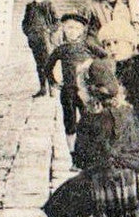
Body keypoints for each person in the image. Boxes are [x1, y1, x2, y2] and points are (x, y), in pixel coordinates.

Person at [74, 59, 139, 217]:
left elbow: (82, 152)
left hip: (105, 176)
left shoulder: (90, 118)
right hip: (130, 173)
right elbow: (137, 142)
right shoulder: (127, 111)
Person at [43, 12, 107, 158]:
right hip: (68, 91)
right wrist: (53, 81)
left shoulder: (88, 46)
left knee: (89, 120)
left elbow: (105, 57)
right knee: (70, 122)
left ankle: (89, 152)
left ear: (82, 30)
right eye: (69, 28)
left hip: (86, 91)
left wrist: (94, 70)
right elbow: (47, 67)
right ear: (64, 29)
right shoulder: (61, 49)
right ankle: (73, 155)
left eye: (77, 28)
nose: (73, 31)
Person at [21, 0, 59, 97]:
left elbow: (57, 21)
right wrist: (28, 32)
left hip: (46, 39)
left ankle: (52, 87)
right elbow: (24, 22)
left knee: (48, 63)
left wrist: (48, 30)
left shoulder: (49, 5)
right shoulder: (30, 6)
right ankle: (43, 88)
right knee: (39, 65)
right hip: (34, 39)